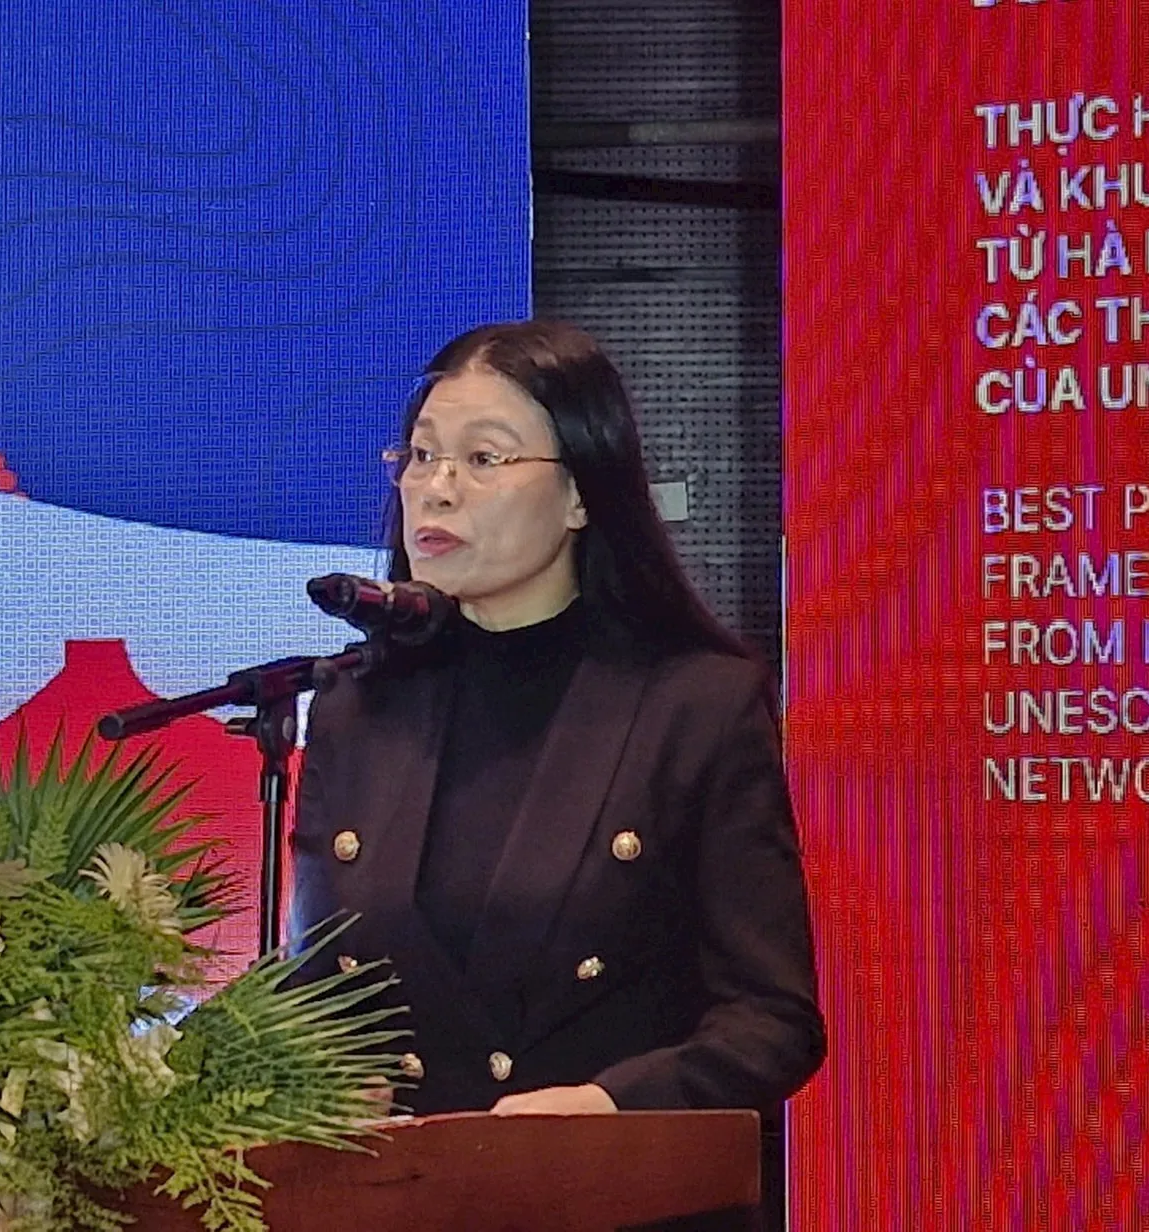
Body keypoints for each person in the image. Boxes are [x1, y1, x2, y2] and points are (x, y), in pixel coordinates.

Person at [288, 319, 824, 1230]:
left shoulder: (693, 705)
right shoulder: (355, 703)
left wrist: (612, 1107)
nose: (436, 488)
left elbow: (773, 1019)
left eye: (482, 459)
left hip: (613, 1204)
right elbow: (320, 982)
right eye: (421, 456)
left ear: (580, 494)